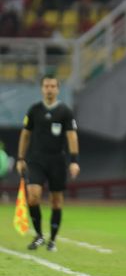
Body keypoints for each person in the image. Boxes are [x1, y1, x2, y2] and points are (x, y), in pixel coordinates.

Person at [16, 75, 80, 252]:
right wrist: (21, 158)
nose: (49, 89)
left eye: (53, 86)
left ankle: (52, 240)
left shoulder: (65, 112)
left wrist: (74, 161)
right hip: (36, 159)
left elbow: (71, 136)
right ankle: (38, 235)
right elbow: (25, 134)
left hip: (57, 161)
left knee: (56, 201)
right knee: (33, 195)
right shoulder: (34, 110)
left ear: (58, 89)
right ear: (42, 89)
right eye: (46, 86)